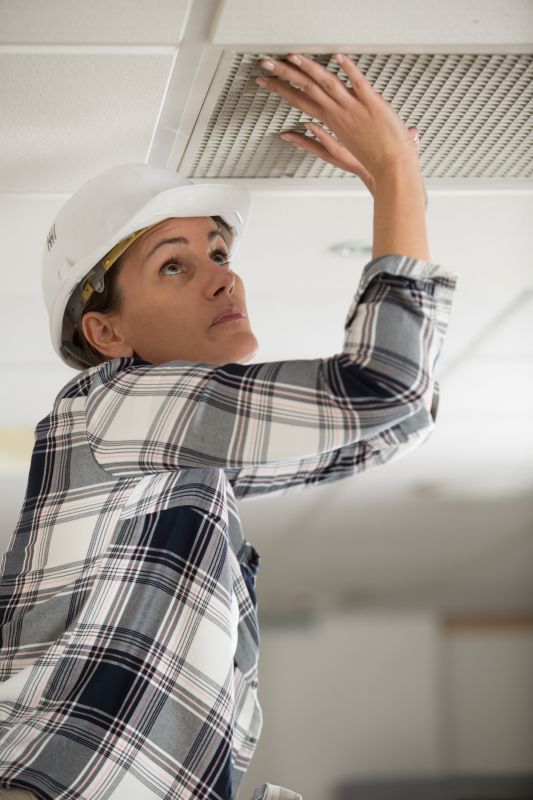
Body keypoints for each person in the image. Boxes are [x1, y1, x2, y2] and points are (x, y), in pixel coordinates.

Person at [0, 53, 458, 799]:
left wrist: (396, 185)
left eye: (217, 251)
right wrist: (392, 179)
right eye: (173, 267)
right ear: (107, 335)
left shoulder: (164, 455)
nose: (223, 275)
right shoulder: (114, 407)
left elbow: (388, 420)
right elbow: (388, 395)